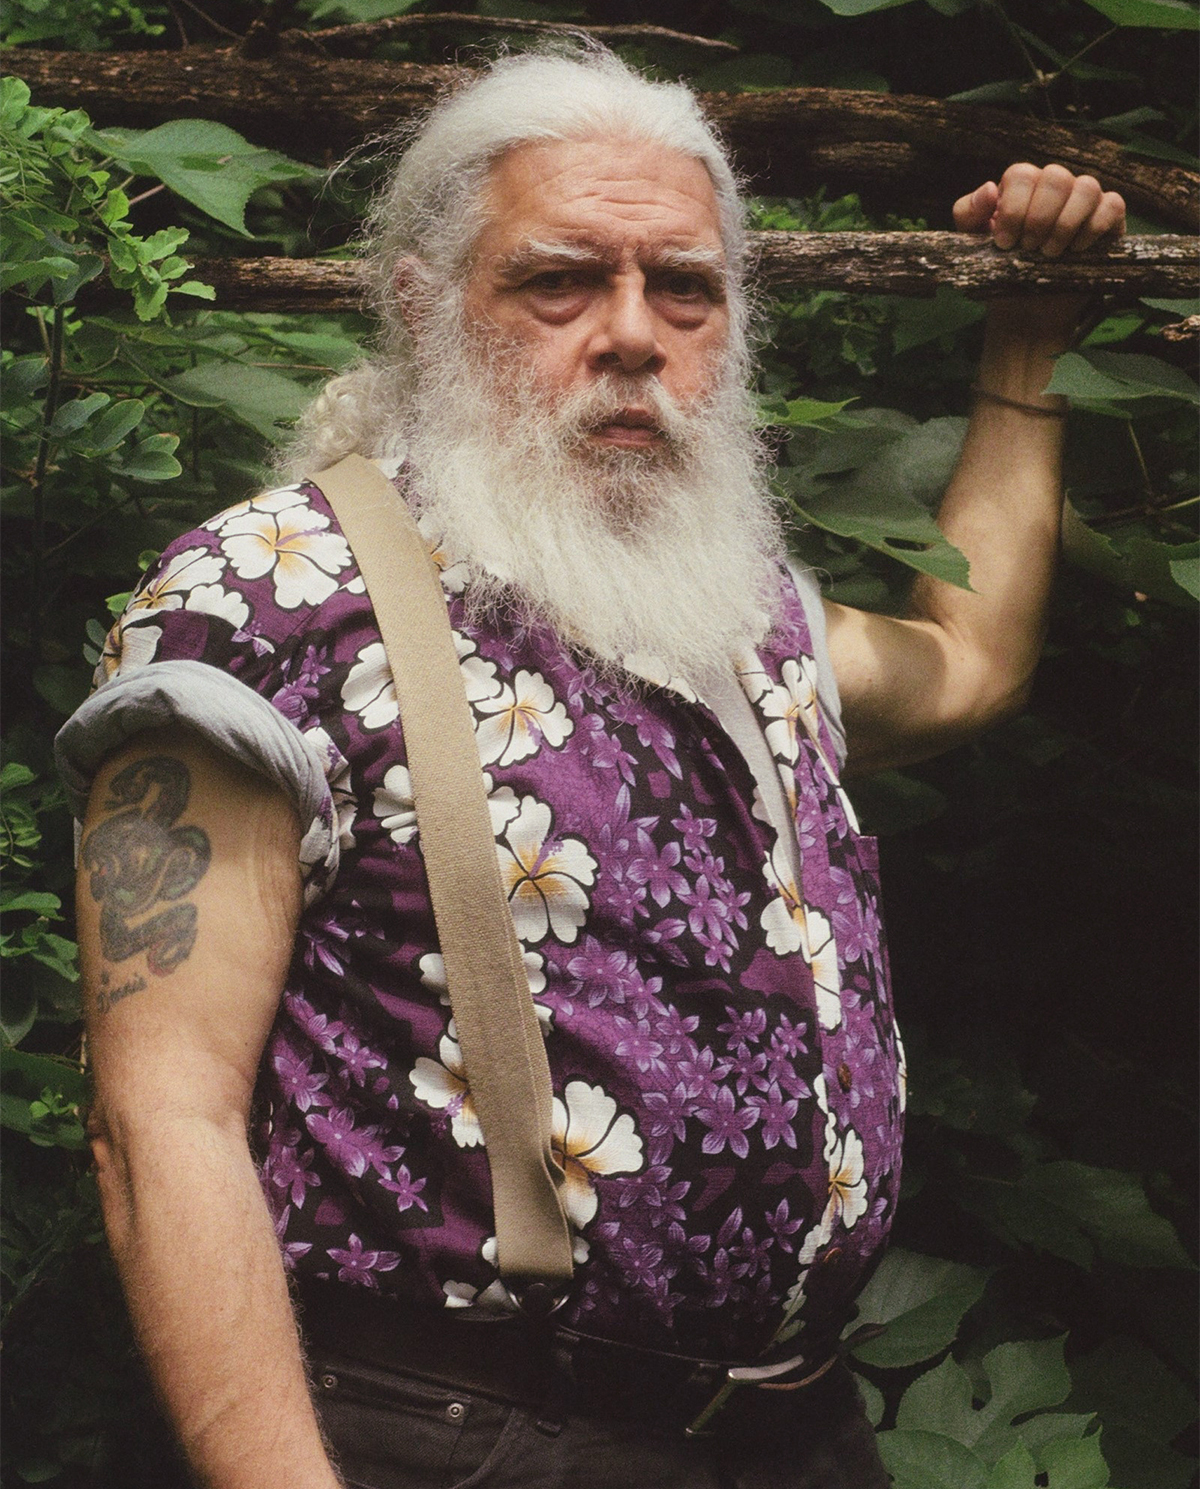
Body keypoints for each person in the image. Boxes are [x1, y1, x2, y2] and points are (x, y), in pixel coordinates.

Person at [57, 46, 1125, 1489]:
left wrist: (1025, 346)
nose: (634, 331)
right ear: (426, 309)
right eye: (558, 280)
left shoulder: (730, 610)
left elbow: (970, 663)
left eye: (685, 287)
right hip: (457, 1434)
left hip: (788, 1433)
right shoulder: (267, 599)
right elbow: (158, 1117)